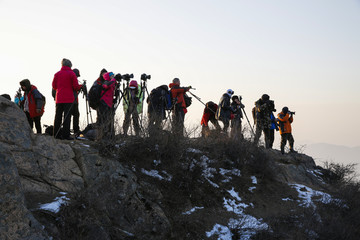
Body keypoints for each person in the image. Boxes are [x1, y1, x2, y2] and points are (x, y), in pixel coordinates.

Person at [52, 58, 83, 140]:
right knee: (67, 116)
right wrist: (81, 86)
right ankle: (66, 135)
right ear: (70, 65)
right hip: (69, 99)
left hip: (59, 98)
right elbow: (76, 87)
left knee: (58, 116)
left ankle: (56, 134)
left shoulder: (57, 74)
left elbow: (54, 86)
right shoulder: (72, 74)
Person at [97, 72, 116, 141]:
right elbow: (106, 86)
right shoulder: (106, 82)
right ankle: (101, 137)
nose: (113, 77)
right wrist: (114, 80)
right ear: (108, 77)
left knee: (108, 120)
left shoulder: (111, 83)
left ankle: (108, 136)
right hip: (104, 104)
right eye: (111, 76)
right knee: (103, 120)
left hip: (108, 104)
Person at [71, 68, 81, 136]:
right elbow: (75, 87)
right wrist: (81, 86)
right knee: (76, 115)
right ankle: (76, 130)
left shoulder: (70, 77)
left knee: (75, 115)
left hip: (73, 100)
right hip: (72, 101)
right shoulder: (72, 78)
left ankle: (75, 130)